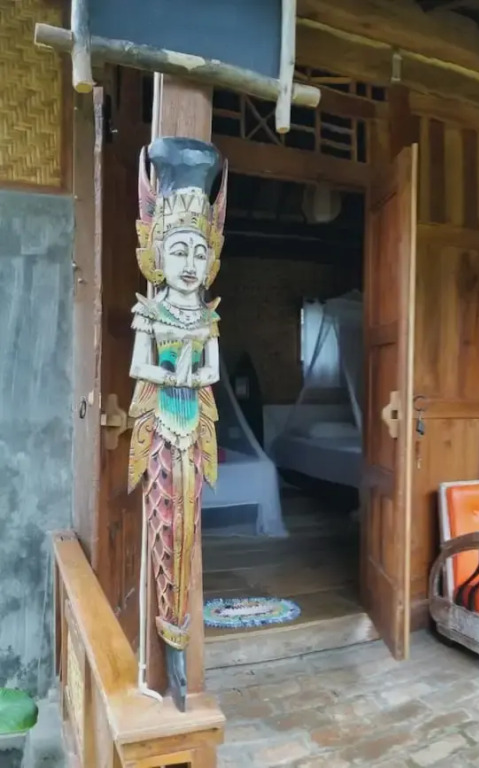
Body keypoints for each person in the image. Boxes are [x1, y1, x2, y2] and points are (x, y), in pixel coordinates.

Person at [127, 137, 227, 711]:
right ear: (156, 256)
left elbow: (213, 369)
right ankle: (169, 634)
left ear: (210, 260)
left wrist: (195, 373)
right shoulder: (151, 310)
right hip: (163, 424)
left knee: (187, 521)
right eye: (178, 251)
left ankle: (181, 633)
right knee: (164, 522)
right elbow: (138, 365)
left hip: (193, 424)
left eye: (198, 253)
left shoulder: (207, 317)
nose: (188, 264)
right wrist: (171, 375)